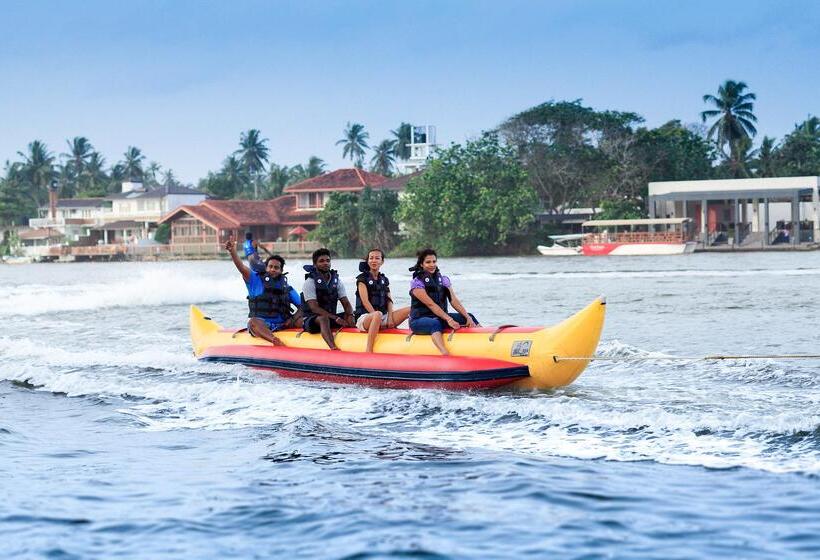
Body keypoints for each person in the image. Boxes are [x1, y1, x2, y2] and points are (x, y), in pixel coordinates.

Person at [225, 237, 302, 346]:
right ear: (265, 268)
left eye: (276, 267)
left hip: (284, 324)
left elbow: (303, 306)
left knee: (304, 318)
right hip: (263, 324)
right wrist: (232, 251)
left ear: (281, 271)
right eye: (270, 266)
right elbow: (241, 267)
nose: (273, 269)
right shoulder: (255, 280)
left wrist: (293, 318)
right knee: (253, 322)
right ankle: (275, 341)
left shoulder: (287, 287)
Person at [408, 248, 479, 355]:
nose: (432, 264)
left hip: (441, 317)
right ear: (421, 264)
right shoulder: (417, 283)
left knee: (469, 316)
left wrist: (467, 317)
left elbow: (454, 301)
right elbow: (431, 304)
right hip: (418, 321)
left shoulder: (443, 280)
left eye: (434, 261)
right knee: (434, 323)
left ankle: (485, 340)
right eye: (428, 262)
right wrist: (449, 319)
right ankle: (444, 352)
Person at [354, 248, 411, 353]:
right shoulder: (362, 279)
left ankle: (413, 339)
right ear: (367, 261)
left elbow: (389, 300)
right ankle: (369, 349)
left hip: (382, 317)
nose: (373, 260)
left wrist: (389, 317)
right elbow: (365, 301)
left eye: (377, 258)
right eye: (371, 258)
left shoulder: (384, 279)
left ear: (382, 261)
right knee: (377, 314)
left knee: (410, 309)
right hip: (365, 318)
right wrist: (377, 316)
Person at [301, 248, 355, 350]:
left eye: (328, 261)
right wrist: (335, 318)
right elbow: (314, 308)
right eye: (321, 261)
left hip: (331, 317)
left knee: (354, 314)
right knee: (323, 318)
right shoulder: (309, 282)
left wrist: (350, 315)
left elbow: (346, 303)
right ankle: (333, 347)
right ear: (315, 264)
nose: (325, 263)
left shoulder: (336, 281)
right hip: (312, 320)